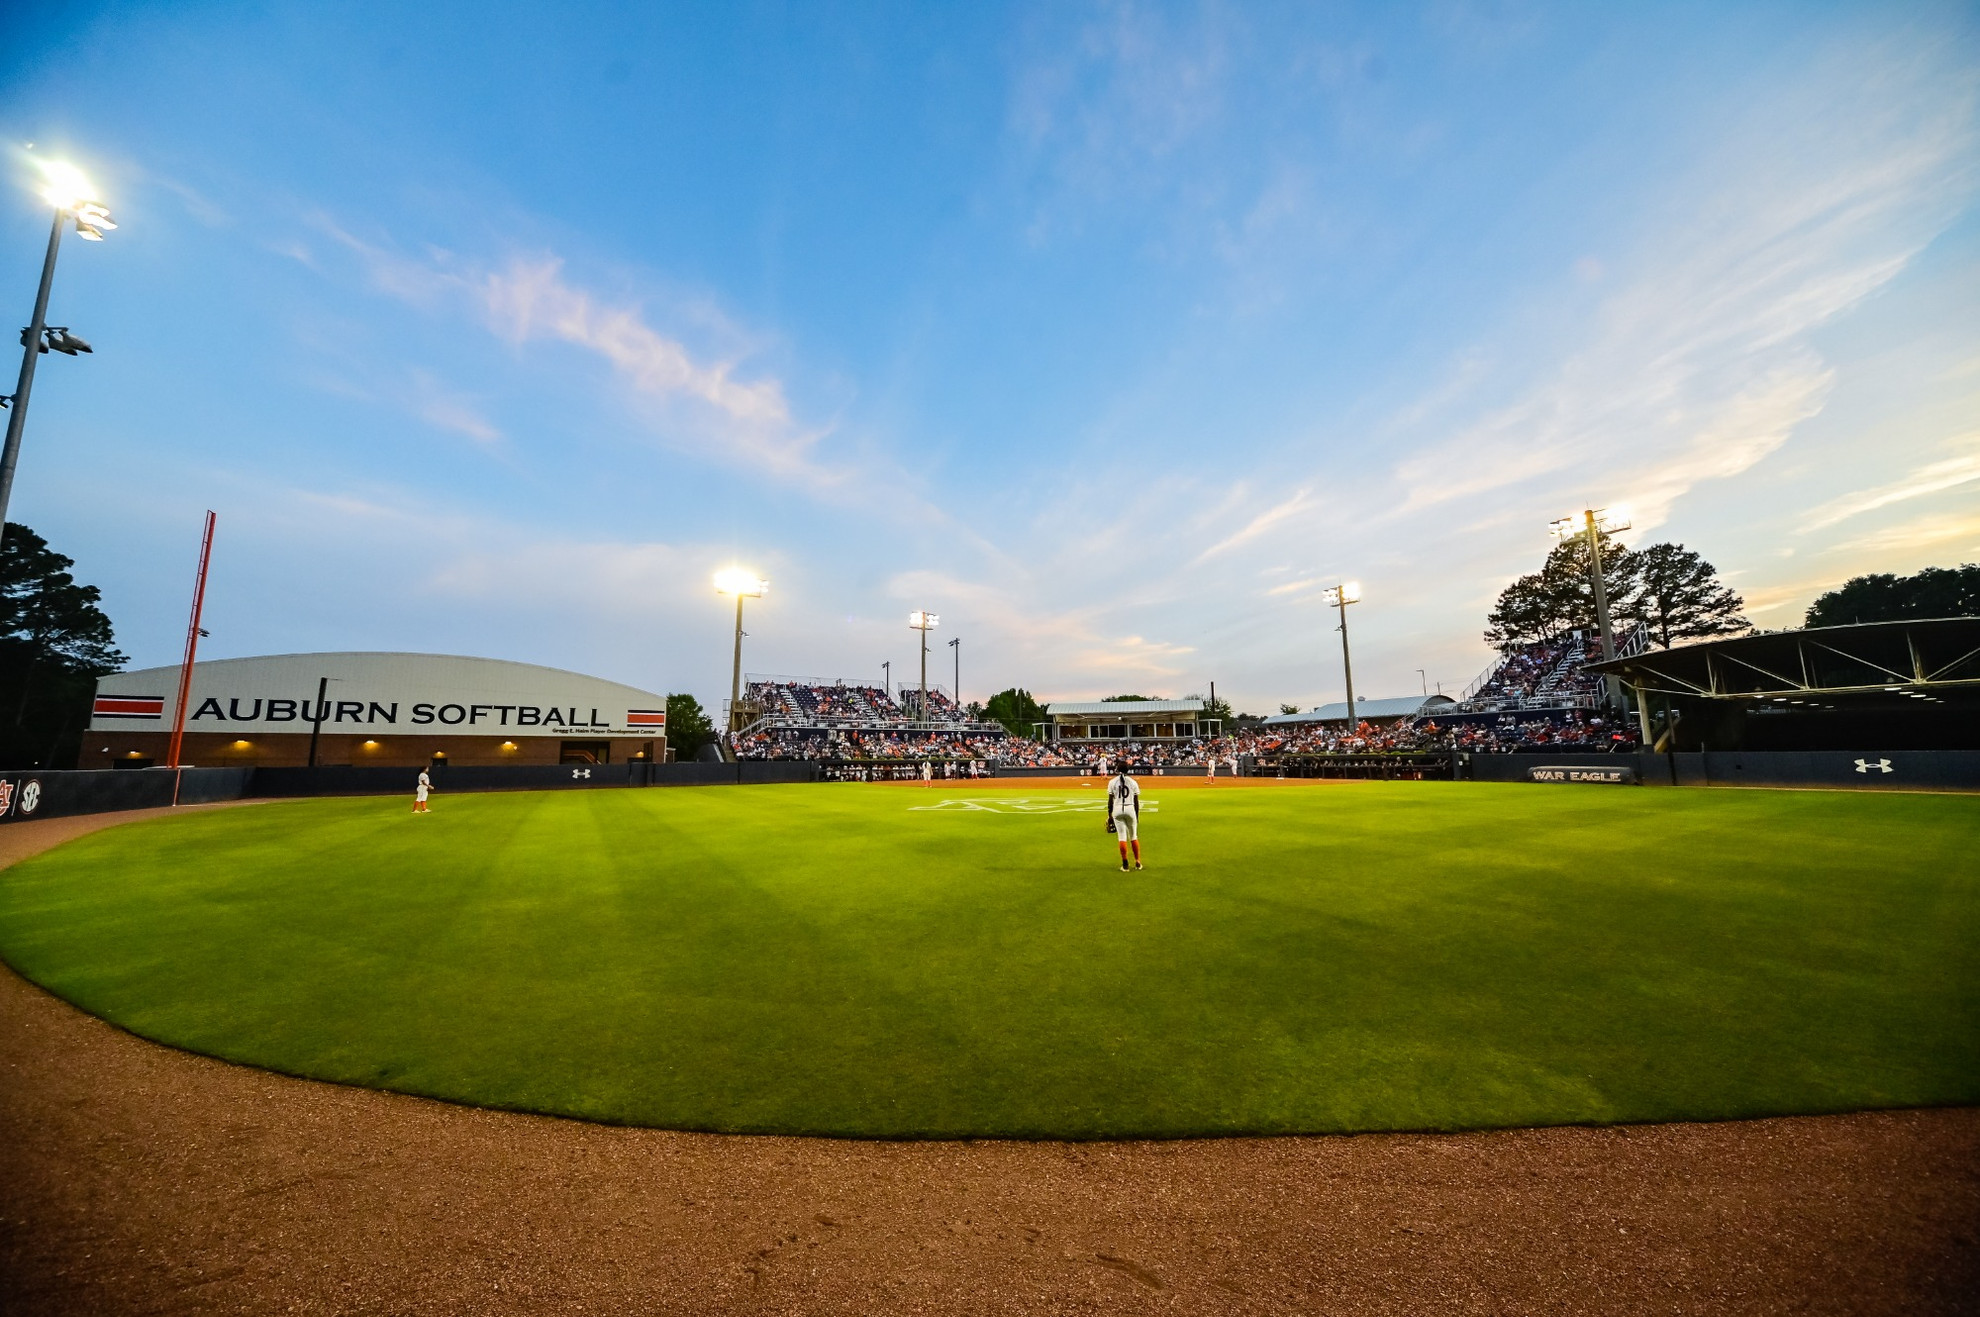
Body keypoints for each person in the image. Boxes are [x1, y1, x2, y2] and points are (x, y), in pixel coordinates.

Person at [1107, 764, 1142, 871]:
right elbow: (1136, 801)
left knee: (1122, 837)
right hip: (1130, 808)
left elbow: (1110, 801)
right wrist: (1136, 816)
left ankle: (1125, 864)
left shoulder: (1112, 782)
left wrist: (1110, 815)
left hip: (1117, 810)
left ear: (1117, 770)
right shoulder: (1133, 782)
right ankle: (1137, 862)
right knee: (1133, 836)